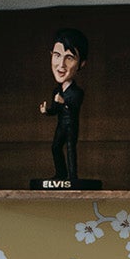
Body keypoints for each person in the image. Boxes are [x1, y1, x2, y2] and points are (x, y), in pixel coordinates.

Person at [38, 28, 88, 188]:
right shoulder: (57, 90)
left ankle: (72, 177)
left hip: (71, 125)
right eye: (57, 56)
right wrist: (48, 111)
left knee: (70, 149)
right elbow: (56, 109)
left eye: (70, 58)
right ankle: (60, 174)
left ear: (81, 64)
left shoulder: (76, 92)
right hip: (61, 125)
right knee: (55, 147)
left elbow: (72, 107)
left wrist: (62, 103)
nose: (61, 65)